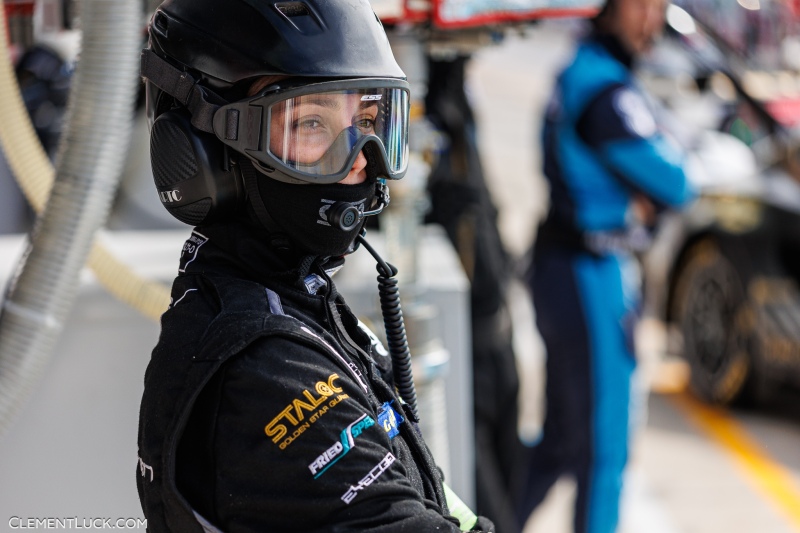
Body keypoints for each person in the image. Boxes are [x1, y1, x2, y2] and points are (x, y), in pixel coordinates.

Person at [135, 1, 495, 531]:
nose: (358, 160)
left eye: (369, 122)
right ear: (201, 154)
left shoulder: (290, 295)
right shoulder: (266, 373)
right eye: (310, 123)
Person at [513, 0, 696, 532]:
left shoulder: (583, 67)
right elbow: (676, 183)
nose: (654, 18)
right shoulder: (606, 91)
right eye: (646, 6)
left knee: (562, 440)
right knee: (602, 451)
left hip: (566, 267)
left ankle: (500, 518)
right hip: (586, 273)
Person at [424, 53, 522, 533]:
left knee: (513, 490)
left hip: (499, 337)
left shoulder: (459, 107)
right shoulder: (419, 114)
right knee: (492, 514)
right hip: (465, 348)